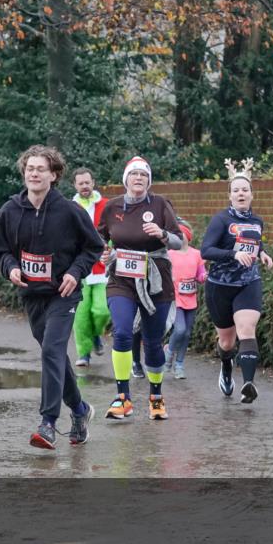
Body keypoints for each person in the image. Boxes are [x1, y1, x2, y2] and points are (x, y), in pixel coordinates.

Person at [0, 145, 103, 449]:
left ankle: (48, 423)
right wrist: (11, 268)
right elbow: (1, 252)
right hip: (32, 295)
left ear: (53, 175)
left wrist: (75, 272)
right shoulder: (10, 210)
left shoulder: (70, 211)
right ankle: (80, 411)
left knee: (52, 351)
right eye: (30, 168)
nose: (34, 173)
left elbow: (93, 246)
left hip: (64, 294)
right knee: (54, 355)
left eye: (41, 169)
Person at [98, 156, 183, 421]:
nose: (139, 179)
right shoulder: (112, 207)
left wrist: (162, 234)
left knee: (153, 341)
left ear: (149, 181)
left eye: (143, 175)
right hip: (121, 277)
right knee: (122, 332)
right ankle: (122, 398)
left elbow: (179, 242)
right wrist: (102, 253)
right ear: (126, 179)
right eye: (134, 174)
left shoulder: (160, 204)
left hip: (156, 278)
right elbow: (99, 239)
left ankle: (156, 397)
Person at [201, 158, 273, 403]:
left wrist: (262, 253)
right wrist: (233, 254)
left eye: (245, 190)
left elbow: (256, 242)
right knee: (226, 340)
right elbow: (206, 251)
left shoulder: (257, 221)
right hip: (220, 286)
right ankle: (226, 366)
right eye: (236, 190)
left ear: (252, 195)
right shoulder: (220, 220)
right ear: (230, 195)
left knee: (247, 328)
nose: (241, 194)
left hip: (248, 283)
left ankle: (249, 385)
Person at [70, 168, 110, 367]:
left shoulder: (106, 205)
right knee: (81, 315)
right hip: (79, 269)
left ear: (93, 183)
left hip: (103, 268)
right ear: (75, 186)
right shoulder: (70, 207)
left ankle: (96, 335)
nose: (84, 186)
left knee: (101, 310)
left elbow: (116, 230)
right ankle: (84, 353)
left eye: (87, 182)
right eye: (80, 183)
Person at [164, 219, 207, 379]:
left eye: (182, 235)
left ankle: (179, 365)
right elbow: (163, 273)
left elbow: (200, 273)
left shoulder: (196, 254)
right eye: (177, 235)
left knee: (187, 333)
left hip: (191, 298)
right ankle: (168, 354)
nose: (179, 238)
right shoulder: (169, 254)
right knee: (180, 329)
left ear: (188, 237)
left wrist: (203, 277)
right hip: (175, 298)